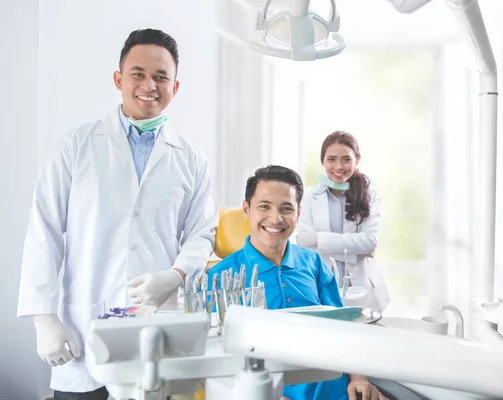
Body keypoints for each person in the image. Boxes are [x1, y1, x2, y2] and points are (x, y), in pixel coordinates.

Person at [17, 29, 218, 400]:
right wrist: (43, 318)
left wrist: (175, 276)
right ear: (118, 79)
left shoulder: (191, 158)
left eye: (161, 77)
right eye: (138, 74)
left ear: (175, 87)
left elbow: (202, 232)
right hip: (83, 327)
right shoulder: (77, 146)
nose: (149, 86)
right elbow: (43, 229)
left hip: (156, 326)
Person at [207, 165, 388, 400]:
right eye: (264, 206)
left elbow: (344, 327)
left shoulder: (313, 263)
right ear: (246, 209)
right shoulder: (220, 277)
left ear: (298, 213)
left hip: (337, 391)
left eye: (286, 208)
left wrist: (359, 378)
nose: (276, 218)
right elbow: (215, 362)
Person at [296, 131, 390, 312]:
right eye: (331, 159)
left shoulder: (370, 194)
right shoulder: (307, 196)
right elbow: (303, 241)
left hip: (364, 290)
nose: (339, 166)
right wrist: (353, 246)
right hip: (321, 285)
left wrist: (319, 240)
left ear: (357, 160)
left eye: (346, 159)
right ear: (322, 161)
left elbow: (370, 243)